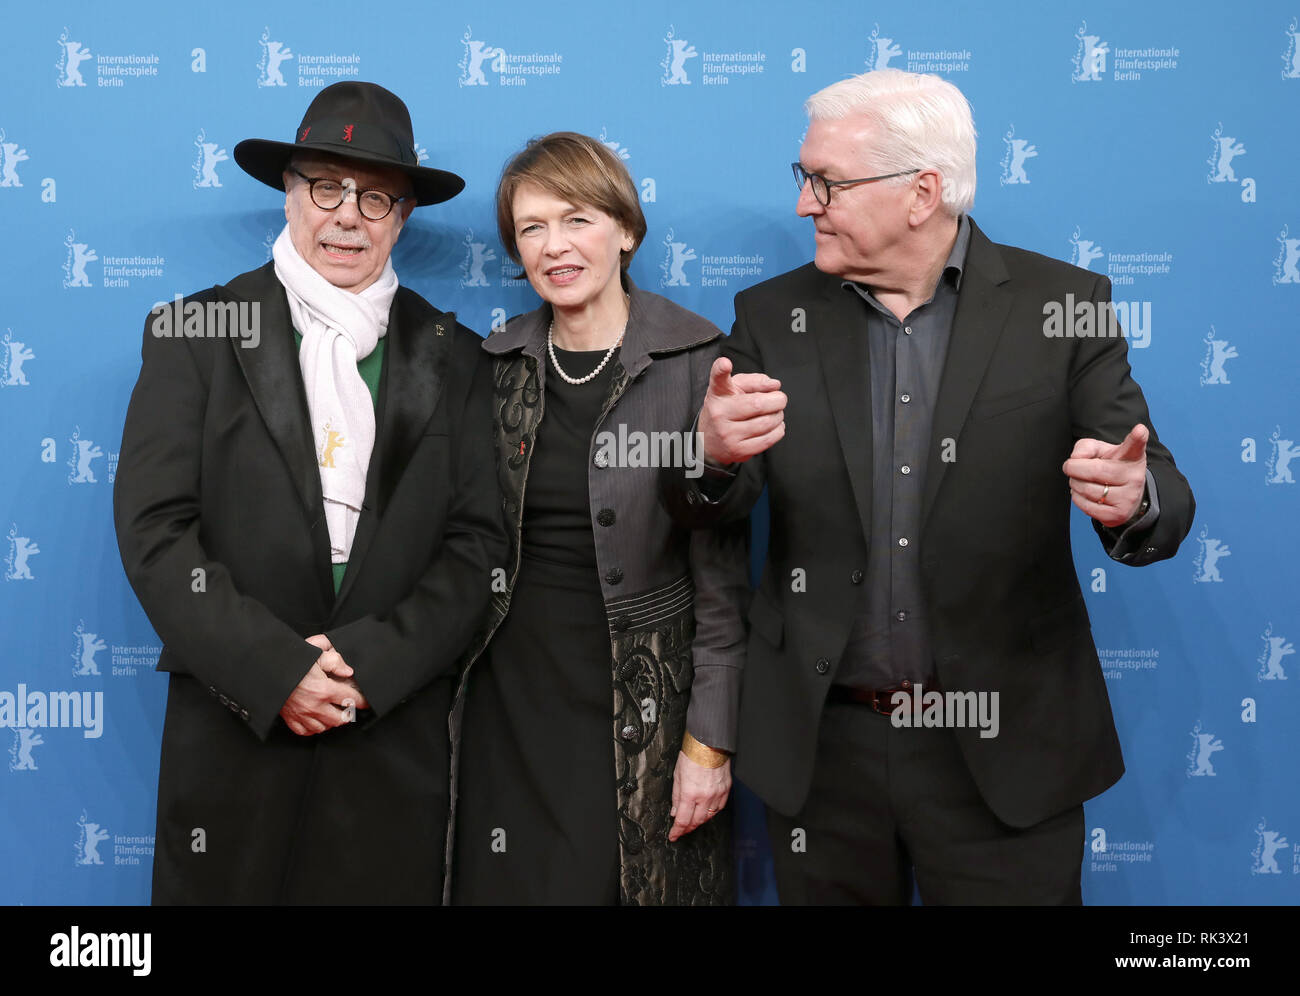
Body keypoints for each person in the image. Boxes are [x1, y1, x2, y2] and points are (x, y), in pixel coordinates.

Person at [666, 69, 1195, 904]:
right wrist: (714, 458)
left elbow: (1154, 484)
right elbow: (708, 507)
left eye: (826, 182)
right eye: (805, 179)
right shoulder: (772, 316)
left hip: (1004, 748)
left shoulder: (1066, 306)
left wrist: (1136, 498)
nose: (807, 204)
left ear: (922, 192)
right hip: (825, 752)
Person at [113, 81, 506, 904]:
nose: (347, 215)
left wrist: (368, 665)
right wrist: (273, 669)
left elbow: (478, 550)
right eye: (325, 186)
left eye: (375, 197)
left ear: (403, 215)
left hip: (389, 740)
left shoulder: (459, 358)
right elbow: (155, 532)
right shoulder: (194, 331)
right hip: (233, 730)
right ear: (290, 195)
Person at [448, 132, 748, 905]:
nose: (555, 246)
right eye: (532, 229)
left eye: (576, 219)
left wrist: (708, 742)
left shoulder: (697, 360)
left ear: (626, 230)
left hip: (642, 701)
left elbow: (722, 586)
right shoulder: (496, 362)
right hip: (507, 697)